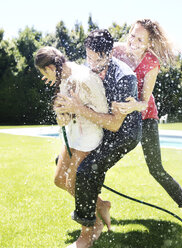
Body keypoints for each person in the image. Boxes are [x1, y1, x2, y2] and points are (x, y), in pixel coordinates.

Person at [112, 19, 182, 240]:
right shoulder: (116, 50)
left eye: (140, 39)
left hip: (145, 118)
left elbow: (144, 102)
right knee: (99, 156)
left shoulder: (150, 62)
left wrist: (132, 105)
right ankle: (94, 208)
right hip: (117, 116)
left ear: (149, 44)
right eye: (132, 35)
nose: (133, 41)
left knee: (156, 169)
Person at [54, 29, 142, 248]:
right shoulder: (85, 70)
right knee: (60, 170)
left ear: (110, 54)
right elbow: (76, 100)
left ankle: (87, 235)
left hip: (122, 134)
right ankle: (100, 205)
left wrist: (79, 108)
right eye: (88, 56)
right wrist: (65, 109)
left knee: (84, 172)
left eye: (98, 58)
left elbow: (114, 123)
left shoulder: (124, 77)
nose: (92, 63)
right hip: (98, 127)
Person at [34, 46, 113, 241]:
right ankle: (101, 204)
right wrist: (63, 116)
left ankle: (94, 224)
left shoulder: (83, 76)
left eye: (43, 72)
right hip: (73, 135)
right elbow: (66, 112)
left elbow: (102, 110)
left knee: (74, 183)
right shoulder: (62, 77)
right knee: (60, 180)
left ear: (51, 68)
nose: (44, 77)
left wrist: (76, 109)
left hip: (88, 136)